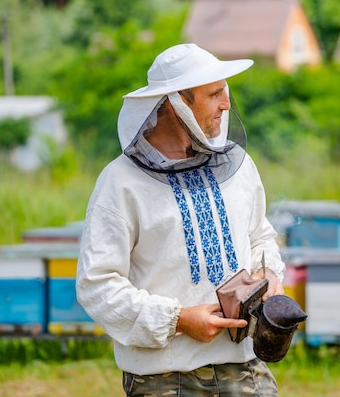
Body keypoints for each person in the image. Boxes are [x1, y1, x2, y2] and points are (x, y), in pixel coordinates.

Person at [76, 43, 286, 397]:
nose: (226, 104)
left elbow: (260, 237)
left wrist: (268, 276)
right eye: (214, 94)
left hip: (245, 370)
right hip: (165, 380)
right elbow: (97, 284)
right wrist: (177, 320)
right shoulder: (120, 183)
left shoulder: (239, 168)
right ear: (177, 103)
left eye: (225, 91)